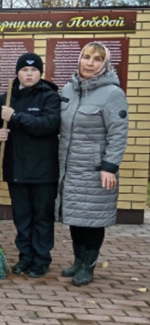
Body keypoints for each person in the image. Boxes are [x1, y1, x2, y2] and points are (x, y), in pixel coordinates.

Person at [57, 42, 128, 286]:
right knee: (76, 216)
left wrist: (110, 166)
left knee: (93, 218)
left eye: (96, 59)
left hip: (96, 169)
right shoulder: (69, 89)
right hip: (70, 167)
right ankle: (78, 260)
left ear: (104, 64)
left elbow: (118, 133)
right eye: (86, 57)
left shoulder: (112, 94)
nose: (89, 63)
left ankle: (88, 266)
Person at [0, 53, 60, 278]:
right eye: (24, 70)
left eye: (33, 70)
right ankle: (25, 257)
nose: (29, 74)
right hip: (17, 170)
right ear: (17, 73)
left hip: (43, 171)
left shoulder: (49, 97)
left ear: (40, 73)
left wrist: (16, 117)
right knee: (22, 217)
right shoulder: (7, 98)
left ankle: (41, 259)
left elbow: (49, 125)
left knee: (42, 217)